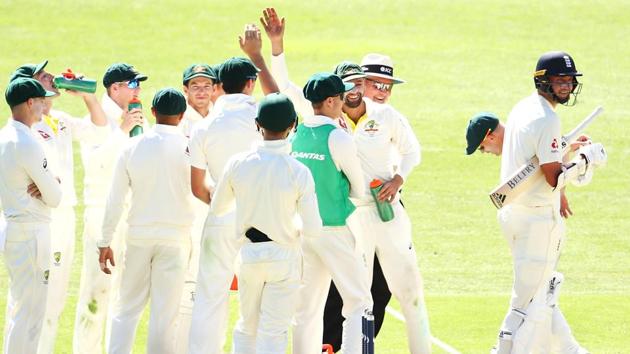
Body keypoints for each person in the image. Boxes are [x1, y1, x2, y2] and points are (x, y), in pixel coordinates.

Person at [492, 51, 606, 353]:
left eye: (570, 80)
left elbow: (537, 158)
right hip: (537, 219)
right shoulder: (547, 118)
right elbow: (553, 176)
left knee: (542, 295)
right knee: (527, 303)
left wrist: (567, 150)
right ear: (543, 81)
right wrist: (585, 160)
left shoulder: (524, 108)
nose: (567, 85)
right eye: (560, 80)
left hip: (515, 213)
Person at [187, 24, 279, 354]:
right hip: (262, 219)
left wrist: (223, 199)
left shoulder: (204, 126)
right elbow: (279, 99)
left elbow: (198, 187)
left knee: (210, 295)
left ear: (219, 87)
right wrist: (257, 56)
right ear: (250, 83)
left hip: (220, 216)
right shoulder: (263, 114)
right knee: (259, 297)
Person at [9, 59, 109, 353]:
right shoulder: (24, 128)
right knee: (34, 301)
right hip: (40, 217)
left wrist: (89, 96)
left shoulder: (60, 119)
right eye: (43, 75)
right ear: (29, 89)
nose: (51, 77)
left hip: (64, 215)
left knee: (54, 301)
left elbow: (100, 131)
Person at [211, 92, 322, 354]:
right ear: (293, 125)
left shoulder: (238, 163)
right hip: (284, 255)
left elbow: (218, 208)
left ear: (257, 125)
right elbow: (314, 229)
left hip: (248, 255)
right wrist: (292, 228)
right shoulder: (298, 171)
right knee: (274, 331)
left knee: (247, 326)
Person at [333, 61, 431, 354]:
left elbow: (412, 151)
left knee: (410, 292)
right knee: (359, 296)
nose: (355, 89)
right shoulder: (328, 119)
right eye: (348, 84)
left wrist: (398, 179)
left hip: (386, 210)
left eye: (359, 83)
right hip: (351, 215)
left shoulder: (386, 115)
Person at [97, 88, 194, 353]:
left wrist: (105, 240)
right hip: (176, 239)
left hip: (139, 237)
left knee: (126, 308)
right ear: (182, 115)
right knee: (165, 315)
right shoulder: (191, 148)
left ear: (153, 112)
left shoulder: (131, 147)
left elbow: (114, 199)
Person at [291, 72, 372, 354]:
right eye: (340, 97)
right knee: (359, 301)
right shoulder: (338, 137)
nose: (343, 102)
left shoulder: (297, 133)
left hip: (303, 229)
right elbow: (359, 190)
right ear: (329, 101)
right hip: (334, 228)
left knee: (306, 307)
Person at [74, 62, 148, 353]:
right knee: (95, 296)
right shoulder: (98, 119)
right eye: (133, 84)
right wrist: (122, 131)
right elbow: (96, 165)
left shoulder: (136, 117)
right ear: (114, 88)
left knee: (123, 299)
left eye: (139, 84)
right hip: (101, 215)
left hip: (132, 214)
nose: (138, 90)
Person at [0, 77, 60, 354]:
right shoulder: (26, 142)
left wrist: (49, 180)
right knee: (30, 315)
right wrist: (53, 180)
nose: (44, 105)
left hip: (14, 229)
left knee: (20, 310)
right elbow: (55, 196)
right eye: (41, 100)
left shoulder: (5, 136)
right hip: (31, 233)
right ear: (29, 103)